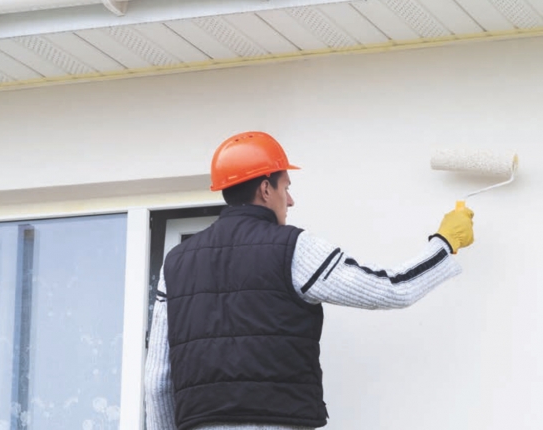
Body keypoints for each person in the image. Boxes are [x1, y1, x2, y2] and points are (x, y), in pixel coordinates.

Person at [144, 131, 475, 430]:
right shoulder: (292, 248)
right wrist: (444, 243)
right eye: (286, 187)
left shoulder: (175, 263)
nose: (290, 200)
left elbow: (157, 382)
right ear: (265, 189)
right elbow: (392, 288)